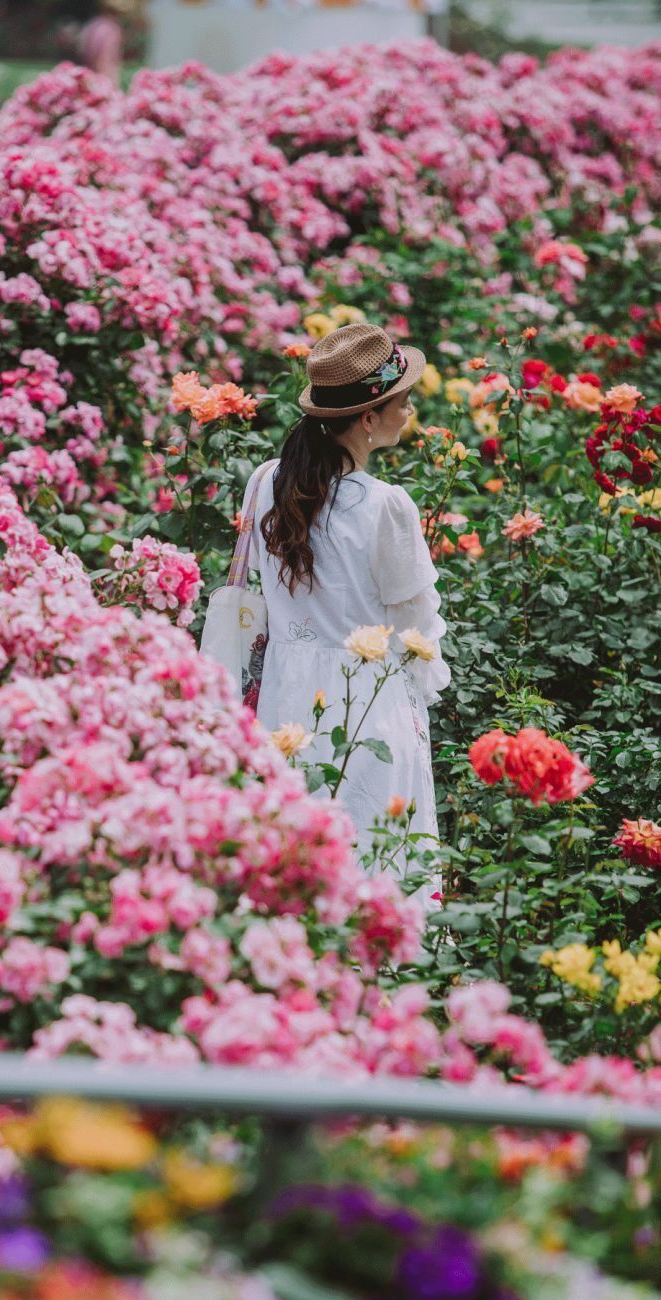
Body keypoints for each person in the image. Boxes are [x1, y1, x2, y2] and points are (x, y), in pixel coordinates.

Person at [247, 322, 450, 881]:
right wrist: (427, 689)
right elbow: (417, 625)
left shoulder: (267, 483)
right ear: (367, 419)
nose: (408, 411)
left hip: (285, 702)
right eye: (401, 402)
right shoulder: (385, 505)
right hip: (368, 701)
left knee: (294, 861)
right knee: (376, 862)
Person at [76, 0, 124, 86]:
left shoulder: (91, 25)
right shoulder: (111, 29)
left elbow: (81, 50)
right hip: (103, 81)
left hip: (88, 76)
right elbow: (105, 61)